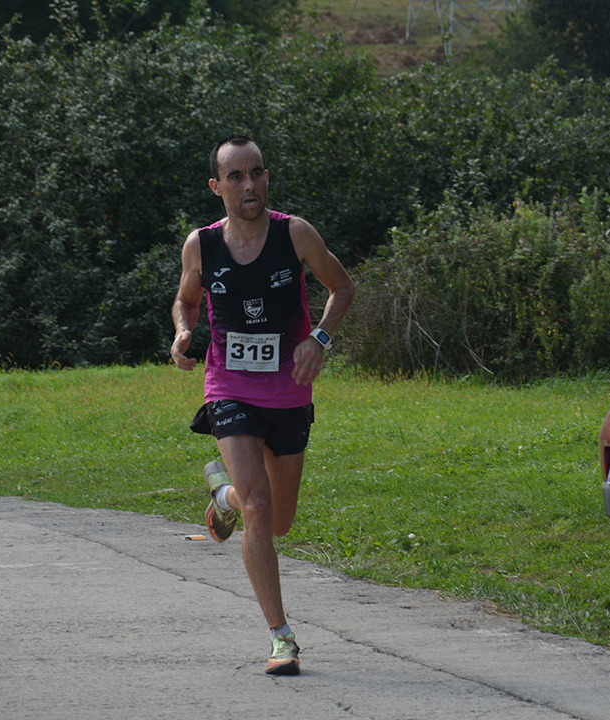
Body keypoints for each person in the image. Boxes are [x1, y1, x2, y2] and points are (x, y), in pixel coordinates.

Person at [169, 135, 355, 675]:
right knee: (259, 506)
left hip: (288, 390)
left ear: (266, 178)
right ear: (217, 186)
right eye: (236, 176)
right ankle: (281, 637)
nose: (249, 184)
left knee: (278, 521)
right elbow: (186, 300)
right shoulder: (201, 245)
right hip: (229, 386)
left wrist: (319, 339)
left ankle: (221, 495)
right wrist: (183, 332)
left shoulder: (294, 234)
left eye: (257, 173)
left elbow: (342, 288)